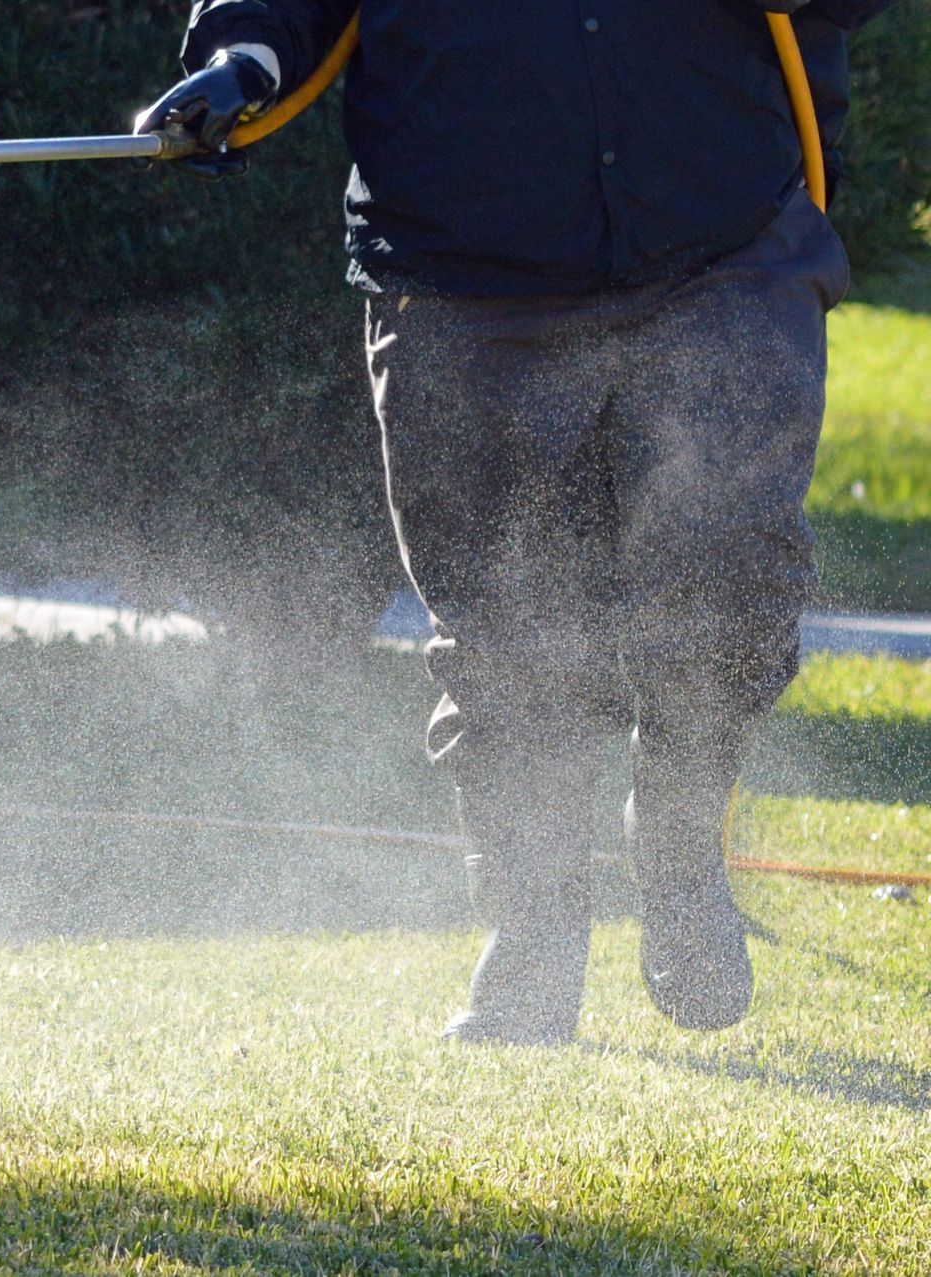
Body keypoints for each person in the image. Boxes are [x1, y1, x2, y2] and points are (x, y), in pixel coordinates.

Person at [136, 0, 897, 1044]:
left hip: (721, 244)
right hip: (464, 283)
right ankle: (532, 949)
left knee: (731, 570)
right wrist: (243, 56)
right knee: (507, 638)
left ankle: (679, 852)